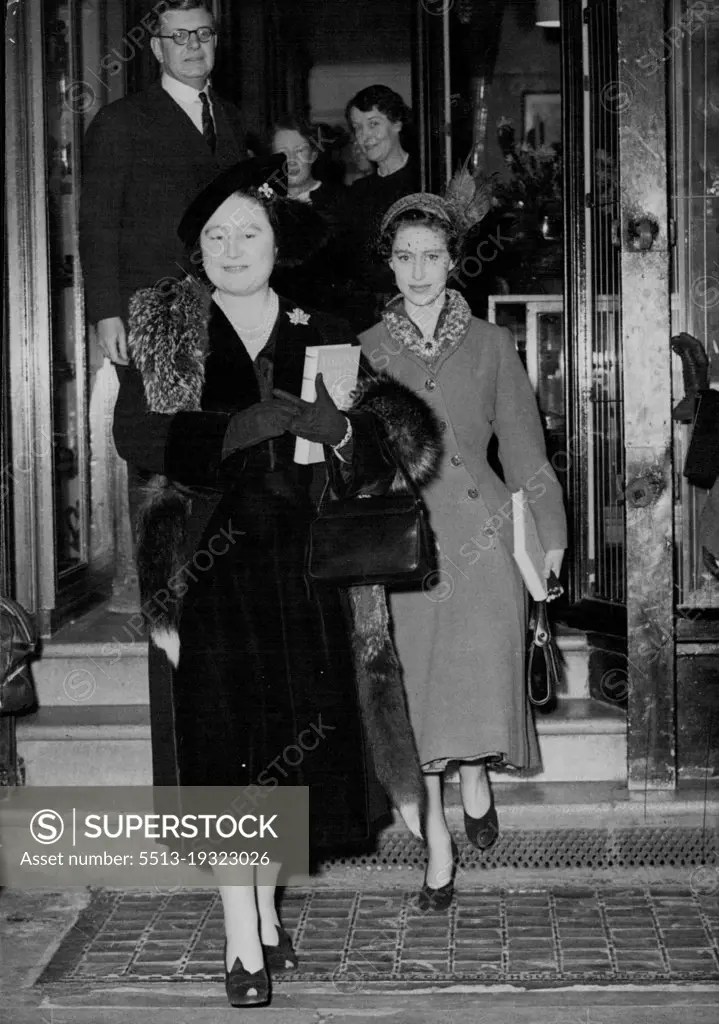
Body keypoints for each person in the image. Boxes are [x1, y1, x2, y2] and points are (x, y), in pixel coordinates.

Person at [113, 155, 442, 1006]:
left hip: (305, 572)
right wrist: (231, 430)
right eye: (215, 236)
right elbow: (138, 438)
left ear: (275, 242)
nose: (231, 248)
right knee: (229, 745)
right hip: (208, 567)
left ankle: (263, 911)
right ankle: (241, 944)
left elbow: (395, 449)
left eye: (247, 232)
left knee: (290, 748)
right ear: (198, 250)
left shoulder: (321, 327)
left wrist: (341, 433)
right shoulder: (165, 323)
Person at [360, 192, 568, 911]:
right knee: (418, 698)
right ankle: (437, 846)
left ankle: (476, 770)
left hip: (483, 541)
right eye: (404, 256)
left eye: (432, 255)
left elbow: (524, 451)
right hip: (404, 547)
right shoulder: (360, 349)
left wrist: (548, 540)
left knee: (472, 687)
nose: (418, 270)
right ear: (388, 263)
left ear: (454, 262)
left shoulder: (490, 344)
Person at [79, 0, 248, 366]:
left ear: (216, 42)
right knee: (154, 420)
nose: (193, 45)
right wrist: (106, 314)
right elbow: (98, 225)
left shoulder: (232, 118)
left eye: (203, 34)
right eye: (179, 36)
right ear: (157, 47)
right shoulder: (120, 121)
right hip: (152, 312)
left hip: (226, 307)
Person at [343, 84, 418, 331]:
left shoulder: (426, 180)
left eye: (373, 124)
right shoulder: (357, 193)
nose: (365, 136)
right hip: (368, 321)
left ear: (396, 124)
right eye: (358, 128)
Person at [269, 115, 349, 315]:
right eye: (283, 153)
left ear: (313, 155)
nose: (292, 161)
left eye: (300, 151)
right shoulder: (262, 206)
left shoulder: (341, 202)